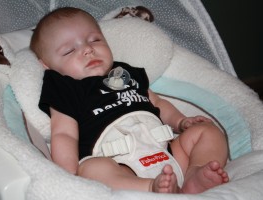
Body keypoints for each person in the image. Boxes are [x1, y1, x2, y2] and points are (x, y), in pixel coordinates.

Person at [30, 7, 229, 194]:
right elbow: (64, 133)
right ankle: (150, 187)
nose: (88, 50)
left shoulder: (125, 72)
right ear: (47, 65)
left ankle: (194, 174)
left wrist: (180, 121)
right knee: (92, 170)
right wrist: (68, 172)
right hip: (118, 163)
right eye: (69, 51)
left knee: (207, 131)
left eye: (95, 40)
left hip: (167, 153)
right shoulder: (65, 87)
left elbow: (157, 104)